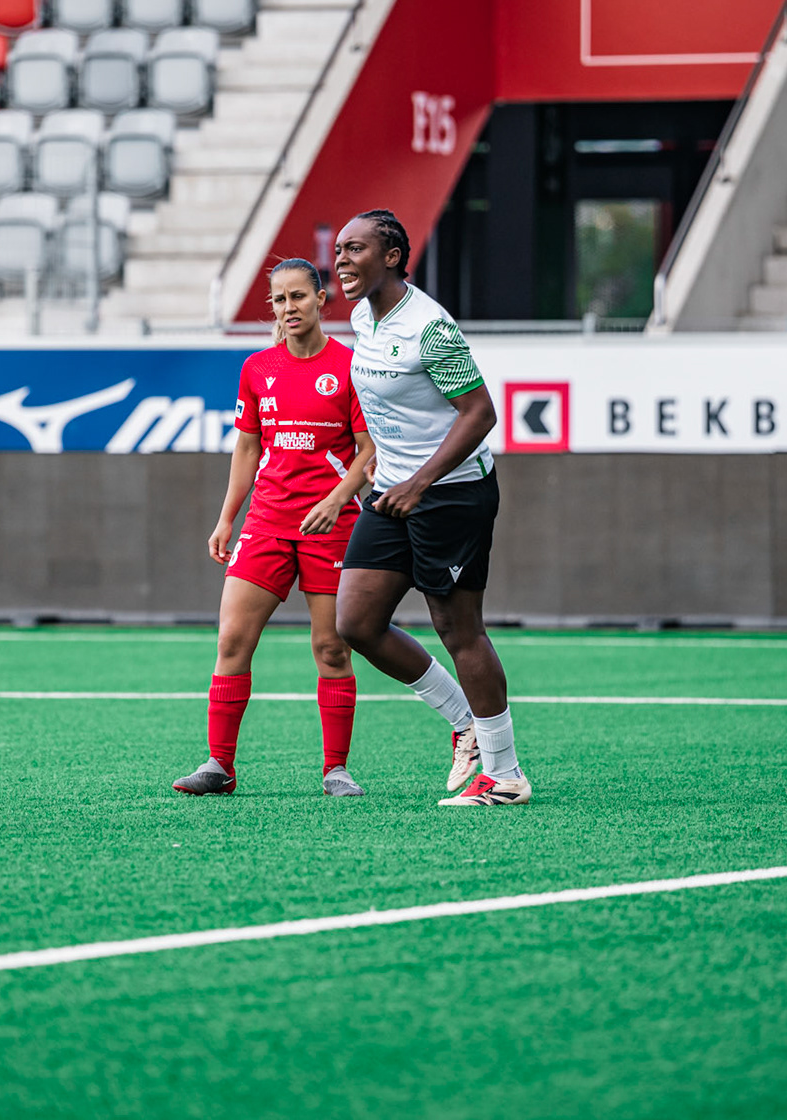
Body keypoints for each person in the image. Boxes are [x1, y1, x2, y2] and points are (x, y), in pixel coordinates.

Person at [332, 210, 528, 806]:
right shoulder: (364, 315)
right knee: (357, 624)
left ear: (391, 256)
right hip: (392, 490)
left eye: (355, 248)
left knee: (457, 628)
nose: (340, 258)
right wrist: (378, 474)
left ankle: (505, 774)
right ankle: (465, 723)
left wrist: (420, 483)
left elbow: (480, 414)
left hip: (450, 493)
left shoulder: (430, 328)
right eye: (338, 248)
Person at [173, 260, 377, 798]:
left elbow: (368, 452)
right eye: (280, 300)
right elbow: (247, 447)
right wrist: (226, 518)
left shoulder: (352, 366)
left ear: (321, 299)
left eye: (298, 297)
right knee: (232, 640)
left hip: (331, 526)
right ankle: (219, 765)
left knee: (332, 648)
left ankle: (336, 770)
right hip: (266, 523)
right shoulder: (258, 368)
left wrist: (338, 500)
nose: (289, 308)